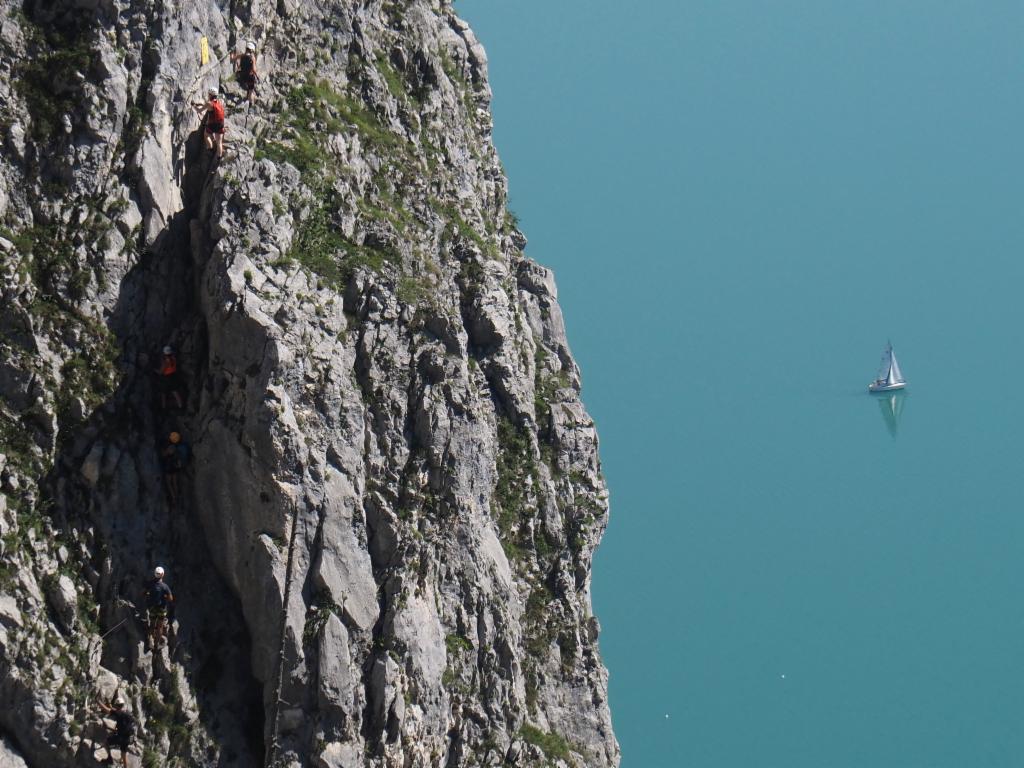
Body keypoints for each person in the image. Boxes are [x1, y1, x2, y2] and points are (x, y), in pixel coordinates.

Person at [96, 696, 133, 767]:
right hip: (127, 738)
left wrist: (98, 701)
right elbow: (123, 727)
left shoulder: (118, 713)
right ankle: (125, 766)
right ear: (123, 705)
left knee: (106, 742)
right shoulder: (128, 714)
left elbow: (107, 710)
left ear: (116, 705)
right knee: (123, 753)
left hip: (121, 737)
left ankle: (109, 759)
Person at [145, 566, 174, 649]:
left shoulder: (150, 584)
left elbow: (143, 593)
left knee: (152, 624)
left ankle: (150, 640)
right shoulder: (165, 586)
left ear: (155, 574)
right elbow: (171, 598)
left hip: (152, 608)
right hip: (162, 608)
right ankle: (156, 644)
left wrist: (149, 595)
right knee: (160, 626)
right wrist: (164, 596)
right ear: (162, 575)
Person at [192, 88, 225, 158]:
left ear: (210, 95)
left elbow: (199, 111)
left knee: (206, 135)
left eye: (208, 94)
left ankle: (210, 148)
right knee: (219, 142)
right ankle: (219, 157)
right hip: (221, 123)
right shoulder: (219, 102)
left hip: (213, 124)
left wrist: (193, 105)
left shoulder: (209, 103)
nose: (208, 95)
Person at [160, 432, 191, 505]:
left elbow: (164, 455)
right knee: (175, 483)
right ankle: (177, 496)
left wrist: (163, 452)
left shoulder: (169, 447)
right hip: (175, 467)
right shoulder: (176, 447)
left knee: (169, 484)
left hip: (169, 467)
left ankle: (174, 498)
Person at [154, 345, 183, 410]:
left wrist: (154, 370)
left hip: (167, 378)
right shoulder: (173, 358)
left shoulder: (166, 362)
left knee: (163, 393)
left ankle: (163, 408)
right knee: (175, 392)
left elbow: (160, 372)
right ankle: (180, 406)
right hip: (174, 376)